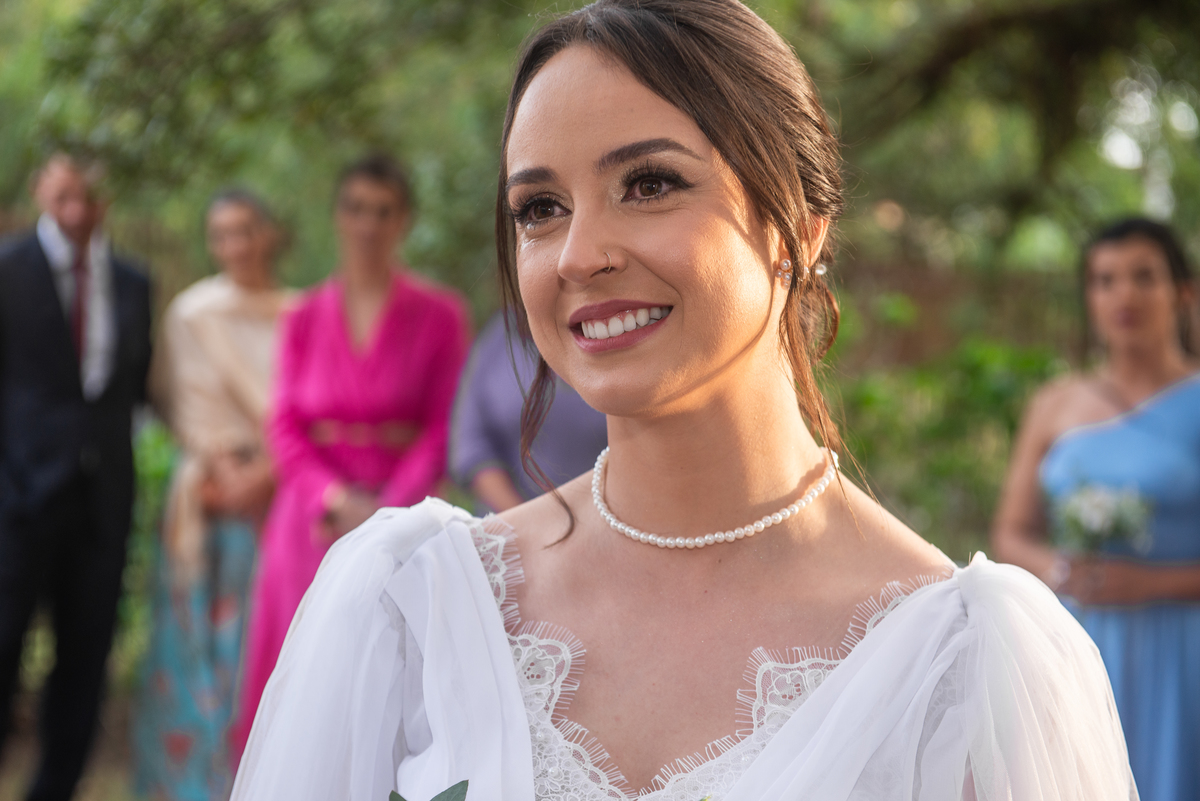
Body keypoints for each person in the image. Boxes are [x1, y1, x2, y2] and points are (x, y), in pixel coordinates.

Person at [231, 3, 1136, 799]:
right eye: (540, 207)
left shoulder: (971, 667)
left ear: (797, 230)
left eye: (650, 184)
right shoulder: (415, 605)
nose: (580, 253)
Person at [233, 154, 471, 755]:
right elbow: (283, 425)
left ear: (404, 222)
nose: (368, 223)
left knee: (389, 669)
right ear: (338, 216)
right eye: (356, 208)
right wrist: (333, 498)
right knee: (302, 676)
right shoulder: (304, 316)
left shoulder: (441, 315)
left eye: (383, 211)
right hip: (310, 519)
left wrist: (388, 513)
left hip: (404, 516)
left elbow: (444, 426)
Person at [992, 217, 1199, 801]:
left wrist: (1152, 581)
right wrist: (1061, 571)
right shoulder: (1053, 404)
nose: (1123, 295)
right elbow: (1012, 532)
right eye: (1105, 280)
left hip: (1185, 649)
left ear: (1183, 293)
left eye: (1143, 277)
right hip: (1078, 643)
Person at [0, 154, 152, 801]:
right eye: (63, 195)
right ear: (40, 189)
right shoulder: (7, 272)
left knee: (85, 661)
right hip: (16, 500)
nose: (76, 211)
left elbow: (132, 388)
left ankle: (53, 790)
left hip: (102, 502)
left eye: (88, 197)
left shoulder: (133, 281)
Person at [132, 189, 293, 800]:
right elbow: (180, 407)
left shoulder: (299, 312)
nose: (236, 245)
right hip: (207, 503)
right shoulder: (191, 314)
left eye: (246, 230)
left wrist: (268, 474)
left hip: (279, 506)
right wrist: (224, 473)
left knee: (264, 657)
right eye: (222, 233)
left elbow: (307, 411)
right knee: (197, 661)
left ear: (269, 234)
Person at [450, 308, 608, 512]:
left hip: (609, 518)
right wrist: (526, 520)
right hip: (513, 524)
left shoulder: (610, 331)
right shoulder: (499, 337)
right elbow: (470, 445)